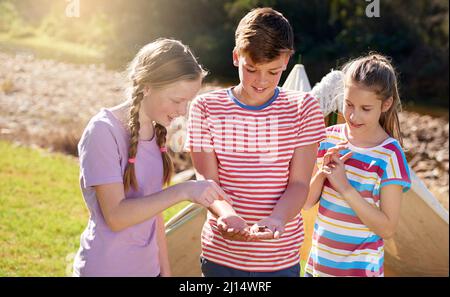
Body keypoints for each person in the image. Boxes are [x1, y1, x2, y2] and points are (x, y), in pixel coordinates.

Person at [72, 38, 232, 277]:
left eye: (187, 102)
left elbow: (154, 214)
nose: (181, 112)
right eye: (177, 100)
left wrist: (164, 272)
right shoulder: (103, 132)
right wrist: (183, 191)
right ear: (147, 86)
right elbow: (116, 217)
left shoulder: (155, 132)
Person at [185, 7, 326, 277]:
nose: (261, 82)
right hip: (220, 257)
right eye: (252, 69)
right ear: (237, 57)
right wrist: (225, 213)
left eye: (273, 72)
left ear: (286, 60)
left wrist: (276, 219)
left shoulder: (304, 108)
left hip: (279, 260)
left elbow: (299, 184)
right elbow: (206, 178)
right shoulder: (205, 107)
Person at [303, 53, 412, 277]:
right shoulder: (328, 138)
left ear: (386, 104)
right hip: (318, 268)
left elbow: (387, 228)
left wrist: (345, 188)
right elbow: (305, 204)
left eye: (365, 108)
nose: (353, 115)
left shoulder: (390, 155)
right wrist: (322, 173)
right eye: (349, 104)